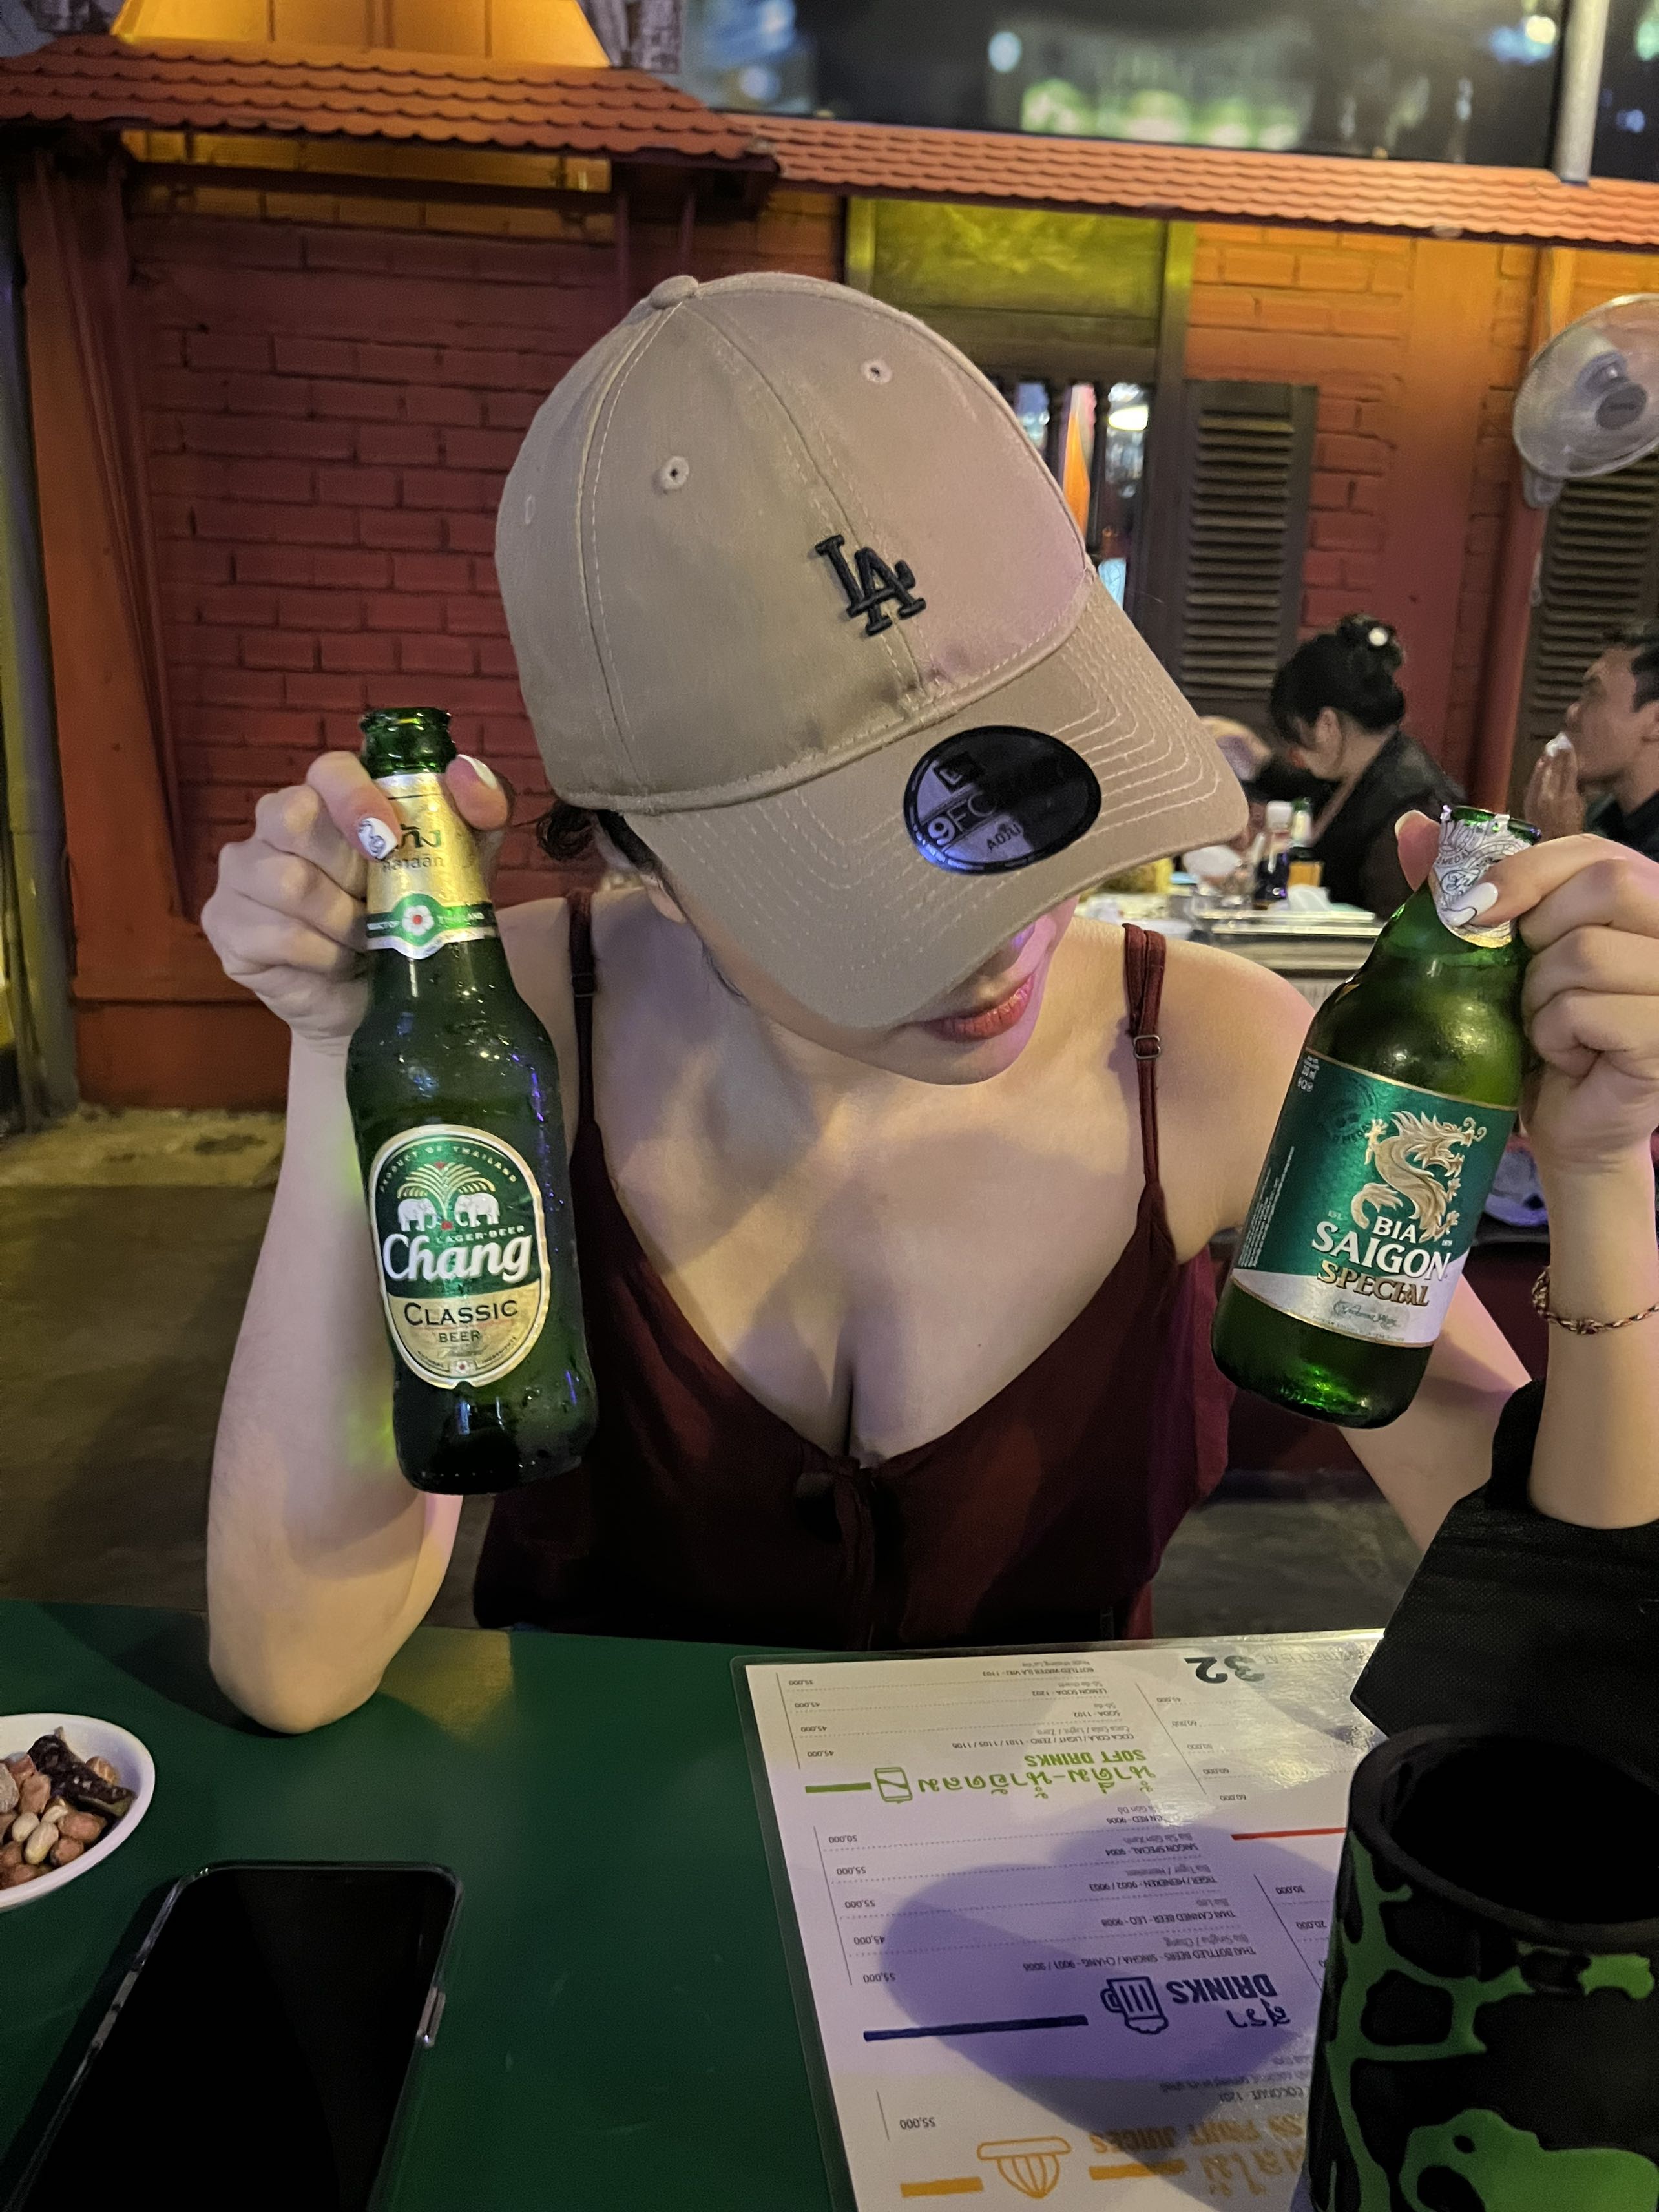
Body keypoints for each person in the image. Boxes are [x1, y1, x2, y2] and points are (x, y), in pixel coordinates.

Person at [201, 273, 1659, 1734]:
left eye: (1034, 793)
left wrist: (1599, 1173)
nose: (998, 939)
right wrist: (350, 1040)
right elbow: (297, 1657)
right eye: (856, 869)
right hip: (596, 1841)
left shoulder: (1205, 1048)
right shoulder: (517, 1031)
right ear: (638, 851)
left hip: (1057, 1852)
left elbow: (1557, 1625)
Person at [1268, 614, 1461, 914]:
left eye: (1297, 737)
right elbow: (1293, 783)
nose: (1298, 755)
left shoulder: (1413, 806)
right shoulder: (1353, 772)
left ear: (1326, 724)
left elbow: (1397, 921)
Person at [1524, 621, 1659, 862]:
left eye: (1595, 695)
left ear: (1656, 722)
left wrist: (1560, 842)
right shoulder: (1599, 816)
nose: (1573, 713)